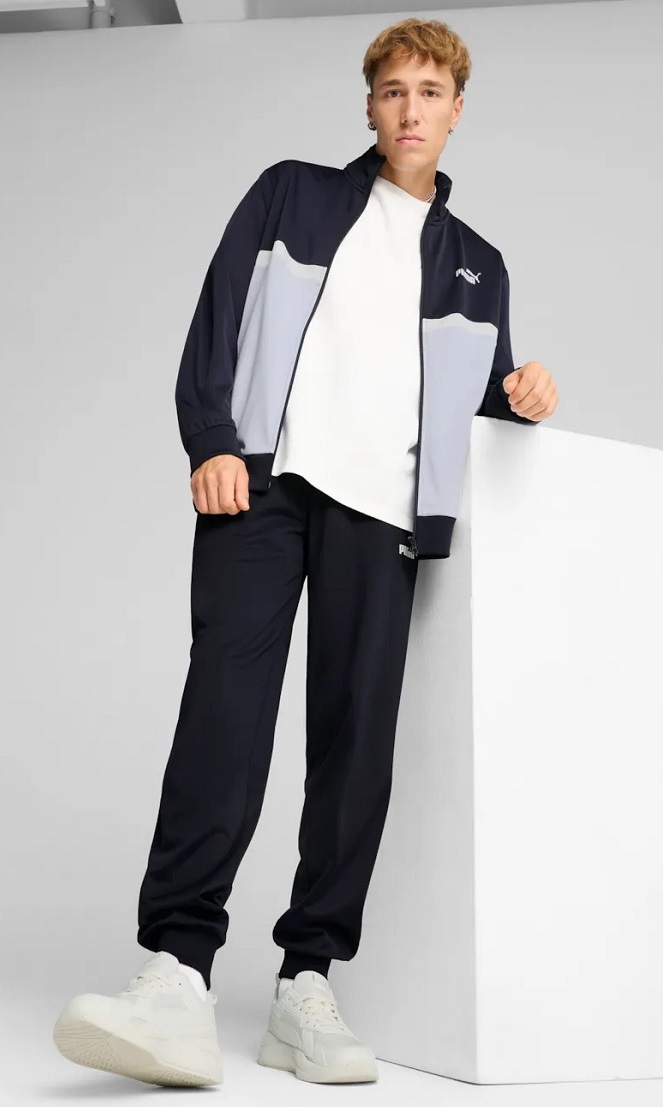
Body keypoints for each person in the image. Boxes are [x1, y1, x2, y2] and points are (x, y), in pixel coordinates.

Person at [53, 16, 557, 1090]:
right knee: (224, 714)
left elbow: (478, 409)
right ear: (369, 106)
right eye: (393, 91)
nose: (411, 109)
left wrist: (522, 395)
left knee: (354, 744)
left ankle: (306, 982)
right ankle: (176, 973)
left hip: (387, 517)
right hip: (266, 487)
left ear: (457, 111)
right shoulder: (292, 195)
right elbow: (218, 320)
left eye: (430, 92)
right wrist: (212, 440)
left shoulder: (480, 267)